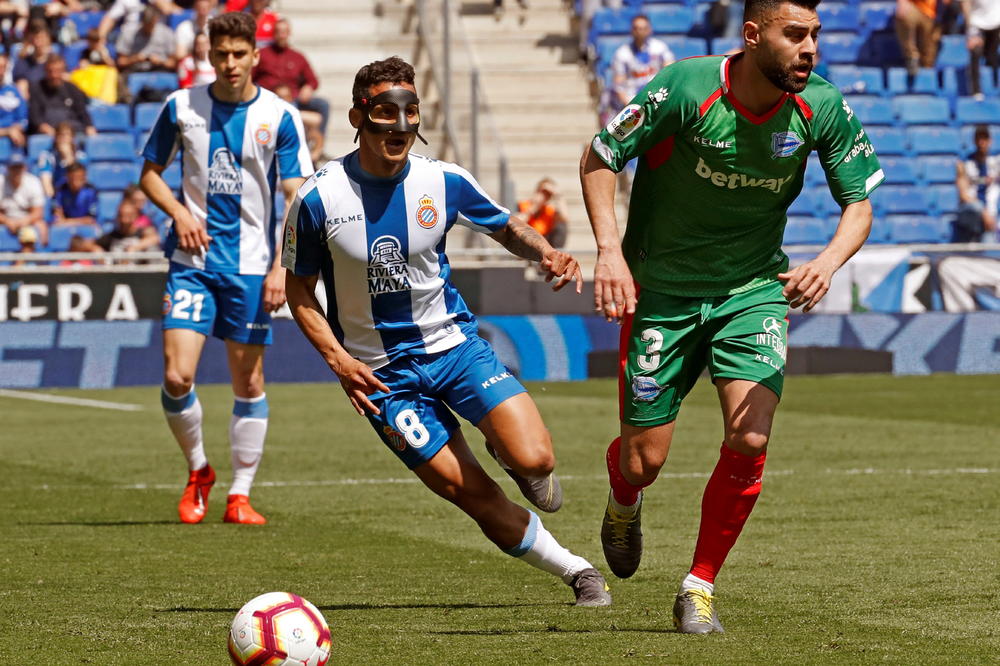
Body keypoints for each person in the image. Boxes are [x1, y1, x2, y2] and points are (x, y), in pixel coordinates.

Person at [580, 0, 884, 633]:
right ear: (752, 35)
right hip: (662, 294)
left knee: (751, 437)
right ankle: (623, 500)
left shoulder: (821, 105)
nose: (810, 48)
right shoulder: (686, 87)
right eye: (794, 34)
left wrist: (828, 261)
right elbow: (601, 156)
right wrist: (609, 251)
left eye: (815, 35)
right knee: (643, 462)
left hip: (753, 291)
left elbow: (858, 204)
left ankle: (699, 587)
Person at [282, 56, 612, 607]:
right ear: (357, 117)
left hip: (455, 349)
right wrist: (340, 362)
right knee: (469, 491)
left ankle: (509, 452)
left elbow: (505, 226)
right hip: (383, 379)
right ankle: (577, 572)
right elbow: (298, 291)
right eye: (385, 112)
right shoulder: (318, 198)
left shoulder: (443, 180)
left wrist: (546, 253)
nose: (400, 125)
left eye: (410, 112)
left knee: (537, 461)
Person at [140, 11, 312, 525]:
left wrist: (283, 267)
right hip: (191, 262)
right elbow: (150, 174)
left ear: (255, 55)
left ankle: (240, 495)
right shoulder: (181, 106)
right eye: (222, 54)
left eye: (240, 54)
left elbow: (296, 199)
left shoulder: (280, 116)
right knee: (177, 376)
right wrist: (178, 213)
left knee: (249, 383)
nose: (231, 63)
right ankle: (199, 469)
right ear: (209, 55)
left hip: (252, 267)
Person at [253, 19, 327, 162]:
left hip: (294, 98)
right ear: (273, 34)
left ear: (289, 33)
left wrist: (308, 87)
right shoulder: (262, 54)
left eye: (284, 32)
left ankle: (317, 150)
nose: (281, 35)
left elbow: (313, 80)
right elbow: (250, 77)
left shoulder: (297, 57)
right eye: (278, 32)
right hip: (268, 99)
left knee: (323, 105)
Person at [609, 14, 675, 114]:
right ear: (631, 30)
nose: (640, 32)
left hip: (658, 96)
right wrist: (630, 107)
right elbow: (618, 85)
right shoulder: (622, 53)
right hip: (633, 99)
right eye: (636, 28)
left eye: (644, 28)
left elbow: (671, 72)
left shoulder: (659, 48)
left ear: (649, 29)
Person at [27, 54, 96, 136]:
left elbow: (82, 112)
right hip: (49, 133)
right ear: (45, 71)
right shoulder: (36, 89)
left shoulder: (72, 88)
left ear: (63, 71)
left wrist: (89, 126)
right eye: (50, 71)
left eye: (58, 71)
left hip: (73, 132)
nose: (54, 75)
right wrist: (45, 128)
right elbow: (35, 116)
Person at [955, 124, 999, 242]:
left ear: (990, 141)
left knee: (988, 244)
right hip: (972, 213)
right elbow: (963, 195)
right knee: (973, 210)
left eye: (985, 138)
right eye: (979, 138)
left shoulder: (996, 162)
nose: (982, 142)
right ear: (974, 141)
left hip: (990, 216)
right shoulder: (964, 163)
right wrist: (983, 211)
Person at [0, 152, 46, 245]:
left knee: (32, 234)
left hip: (27, 220)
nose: (17, 171)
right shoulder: (1, 182)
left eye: (19, 167)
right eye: (14, 168)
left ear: (24, 168)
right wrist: (7, 221)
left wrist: (23, 221)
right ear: (8, 168)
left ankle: (28, 255)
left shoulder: (33, 182)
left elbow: (38, 212)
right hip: (5, 219)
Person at [115, 5, 177, 75]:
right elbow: (120, 62)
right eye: (146, 24)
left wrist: (160, 61)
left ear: (156, 20)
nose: (148, 27)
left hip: (160, 71)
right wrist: (135, 59)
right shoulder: (128, 33)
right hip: (135, 71)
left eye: (151, 24)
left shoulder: (166, 33)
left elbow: (173, 63)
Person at [37, 121, 87, 197]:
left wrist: (68, 156)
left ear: (72, 138)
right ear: (55, 138)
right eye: (61, 135)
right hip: (57, 194)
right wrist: (53, 198)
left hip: (77, 195)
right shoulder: (47, 155)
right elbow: (46, 181)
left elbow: (79, 180)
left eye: (67, 135)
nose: (64, 139)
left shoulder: (80, 156)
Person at [963, 0, 1000, 100]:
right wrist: (970, 30)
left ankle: (995, 88)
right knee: (975, 51)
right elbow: (965, 3)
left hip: (996, 23)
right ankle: (976, 91)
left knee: (992, 57)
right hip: (977, 23)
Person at [517, 178, 569, 248]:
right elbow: (516, 223)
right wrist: (534, 207)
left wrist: (558, 195)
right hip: (524, 242)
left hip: (543, 245)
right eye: (542, 192)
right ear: (536, 191)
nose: (544, 196)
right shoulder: (522, 205)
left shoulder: (549, 211)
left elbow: (564, 218)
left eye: (548, 194)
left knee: (561, 226)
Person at [96, 199, 161, 253]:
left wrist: (135, 247)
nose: (124, 220)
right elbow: (91, 244)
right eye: (121, 215)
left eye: (129, 216)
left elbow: (155, 238)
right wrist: (96, 249)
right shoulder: (111, 237)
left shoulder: (143, 232)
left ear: (136, 216)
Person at [896, 0, 939, 75]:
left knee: (929, 54)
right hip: (915, 6)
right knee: (905, 15)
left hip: (934, 12)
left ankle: (928, 68)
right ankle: (912, 58)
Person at [13, 20, 54, 98]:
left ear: (48, 38)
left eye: (41, 38)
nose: (38, 43)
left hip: (54, 99)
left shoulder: (55, 60)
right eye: (35, 38)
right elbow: (21, 86)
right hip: (33, 100)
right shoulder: (23, 62)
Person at [52, 162, 98, 229]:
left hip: (84, 227)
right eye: (72, 178)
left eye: (80, 178)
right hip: (65, 228)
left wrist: (68, 222)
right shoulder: (60, 190)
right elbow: (58, 217)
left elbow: (91, 219)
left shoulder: (91, 191)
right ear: (67, 177)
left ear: (85, 177)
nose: (75, 182)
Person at [0, 51, 28, 149]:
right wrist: (7, 131)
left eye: (3, 67)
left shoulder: (13, 90)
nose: (0, 71)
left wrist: (17, 128)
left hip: (14, 140)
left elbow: (23, 119)